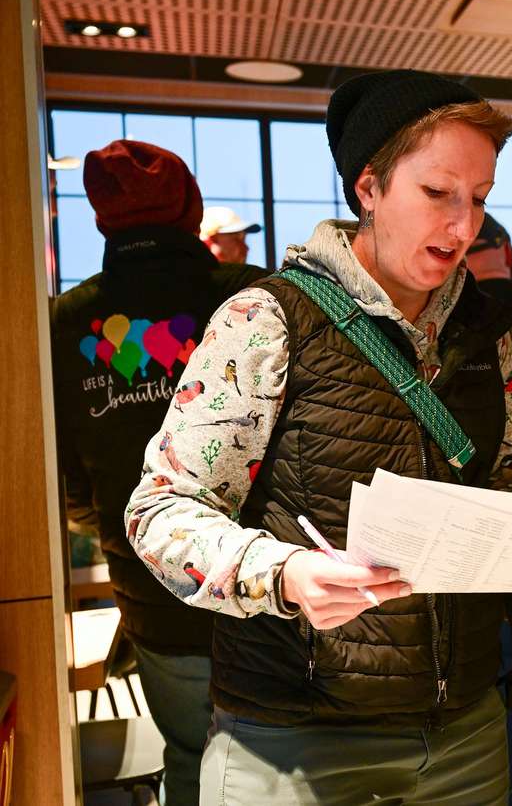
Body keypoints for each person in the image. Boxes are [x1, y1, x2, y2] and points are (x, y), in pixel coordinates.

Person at [125, 69, 512, 805]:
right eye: (437, 194)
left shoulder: (484, 332)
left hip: (465, 732)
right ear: (368, 187)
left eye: (479, 199)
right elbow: (159, 512)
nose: (464, 227)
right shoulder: (267, 319)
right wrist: (282, 573)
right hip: (294, 739)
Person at [51, 139, 268, 806]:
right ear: (187, 206)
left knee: (189, 755)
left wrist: (119, 529)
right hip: (259, 581)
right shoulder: (246, 295)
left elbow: (68, 482)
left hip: (148, 583)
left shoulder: (66, 320)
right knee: (279, 763)